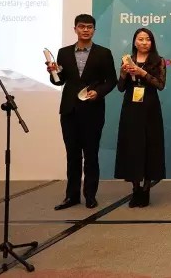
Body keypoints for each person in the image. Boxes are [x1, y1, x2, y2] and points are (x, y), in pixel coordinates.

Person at [45, 14, 117, 210]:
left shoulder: (104, 53)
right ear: (75, 29)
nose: (86, 30)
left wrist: (98, 92)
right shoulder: (63, 53)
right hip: (69, 110)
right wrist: (53, 73)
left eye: (89, 27)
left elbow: (111, 80)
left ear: (94, 30)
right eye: (82, 26)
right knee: (72, 155)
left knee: (91, 155)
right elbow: (59, 81)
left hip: (93, 110)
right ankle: (72, 196)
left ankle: (90, 195)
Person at [114, 28, 166, 208]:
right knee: (132, 147)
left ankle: (146, 189)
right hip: (131, 108)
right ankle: (135, 188)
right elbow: (120, 87)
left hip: (150, 108)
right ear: (134, 42)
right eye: (140, 39)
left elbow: (160, 85)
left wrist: (142, 73)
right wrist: (123, 73)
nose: (144, 42)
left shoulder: (159, 61)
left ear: (152, 42)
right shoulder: (127, 59)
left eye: (148, 39)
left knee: (150, 146)